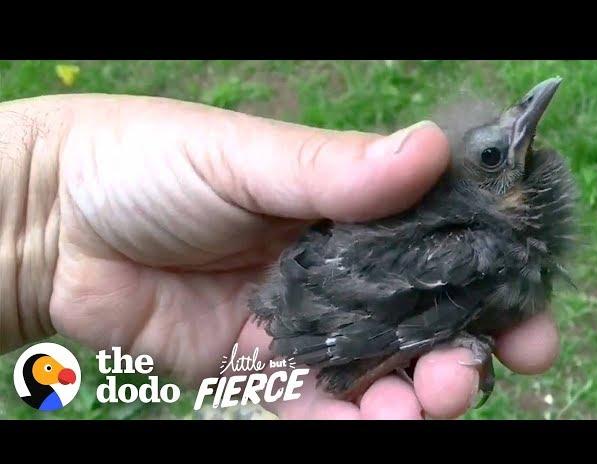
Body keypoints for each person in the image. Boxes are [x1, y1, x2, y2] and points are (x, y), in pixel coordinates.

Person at [0, 94, 559, 420]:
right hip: (310, 318)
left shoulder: (481, 240)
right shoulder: (482, 247)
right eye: (493, 153)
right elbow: (375, 313)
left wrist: (47, 221)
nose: (522, 122)